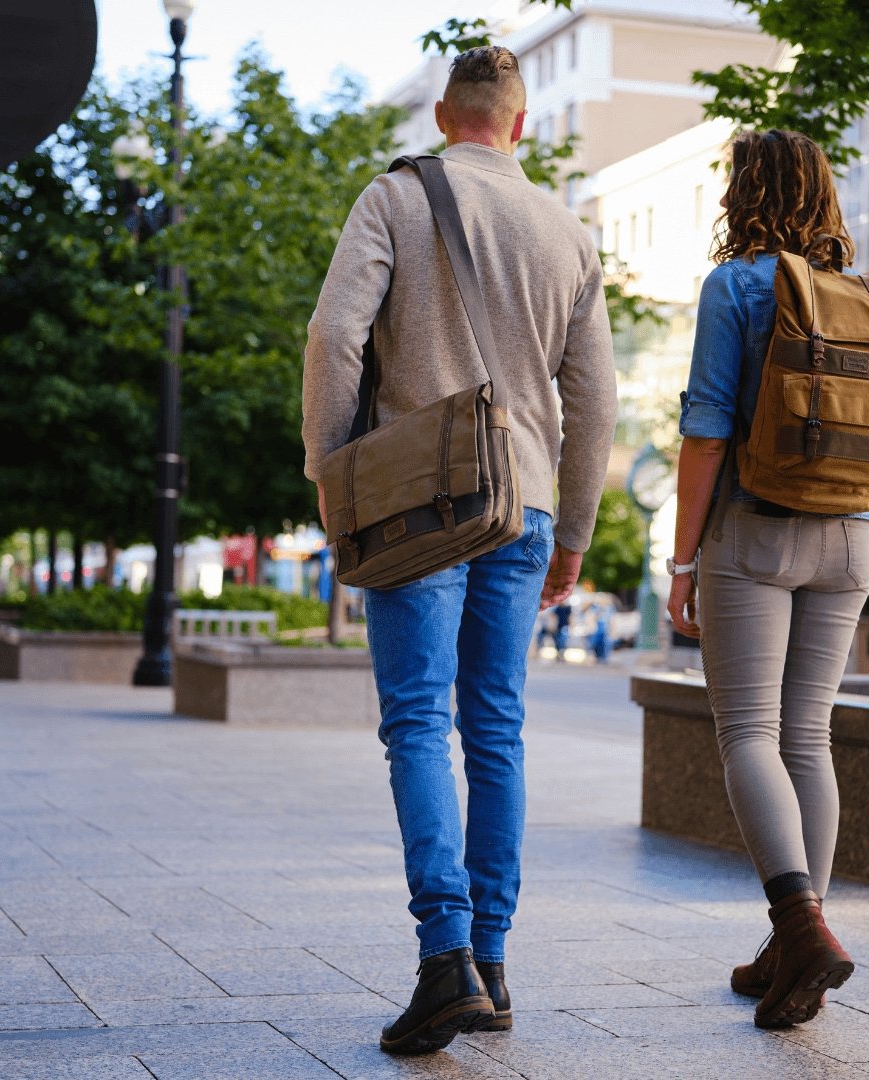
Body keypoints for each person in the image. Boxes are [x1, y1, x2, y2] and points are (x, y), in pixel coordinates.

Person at [302, 46, 617, 1055]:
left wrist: (330, 472)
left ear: (445, 115)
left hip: (417, 504)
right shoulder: (568, 233)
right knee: (496, 731)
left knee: (415, 722)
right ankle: (492, 962)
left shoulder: (394, 198)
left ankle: (445, 962)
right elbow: (595, 405)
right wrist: (574, 532)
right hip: (524, 507)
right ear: (519, 125)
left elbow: (334, 339)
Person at [666, 129, 869, 1030]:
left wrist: (682, 561)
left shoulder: (737, 285)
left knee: (749, 733)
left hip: (756, 532)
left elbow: (707, 429)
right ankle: (794, 947)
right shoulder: (860, 292)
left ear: (743, 193)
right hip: (853, 536)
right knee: (808, 738)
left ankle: (801, 931)